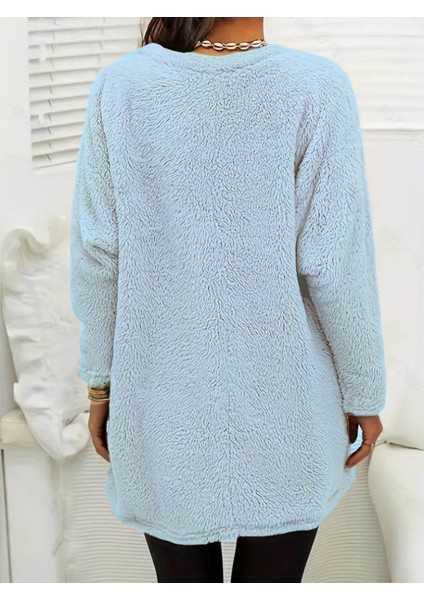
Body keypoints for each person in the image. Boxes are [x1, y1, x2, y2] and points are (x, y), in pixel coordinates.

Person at [69, 17, 386, 583]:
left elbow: (98, 255)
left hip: (161, 405)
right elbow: (335, 262)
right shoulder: (315, 86)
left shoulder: (120, 87)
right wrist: (364, 393)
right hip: (287, 403)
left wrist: (101, 383)